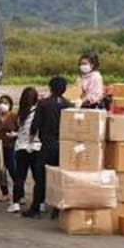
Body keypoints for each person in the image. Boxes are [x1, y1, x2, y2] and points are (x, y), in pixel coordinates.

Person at [24, 77, 71, 219]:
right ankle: (57, 209)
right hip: (62, 145)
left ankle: (36, 208)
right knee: (58, 177)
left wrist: (30, 141)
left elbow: (35, 124)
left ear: (50, 88)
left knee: (40, 177)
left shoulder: (44, 104)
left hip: (47, 144)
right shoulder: (68, 104)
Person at [9, 88, 41, 214]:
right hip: (36, 147)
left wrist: (16, 135)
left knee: (20, 177)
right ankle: (39, 203)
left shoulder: (21, 113)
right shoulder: (38, 111)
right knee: (37, 178)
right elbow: (35, 129)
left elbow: (22, 130)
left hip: (21, 147)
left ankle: (16, 203)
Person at [0, 95, 18, 204]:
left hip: (10, 146)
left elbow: (20, 130)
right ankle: (5, 194)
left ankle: (19, 194)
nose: (3, 105)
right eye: (1, 102)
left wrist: (14, 135)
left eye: (6, 102)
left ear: (10, 105)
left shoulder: (14, 116)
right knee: (1, 170)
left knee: (13, 169)